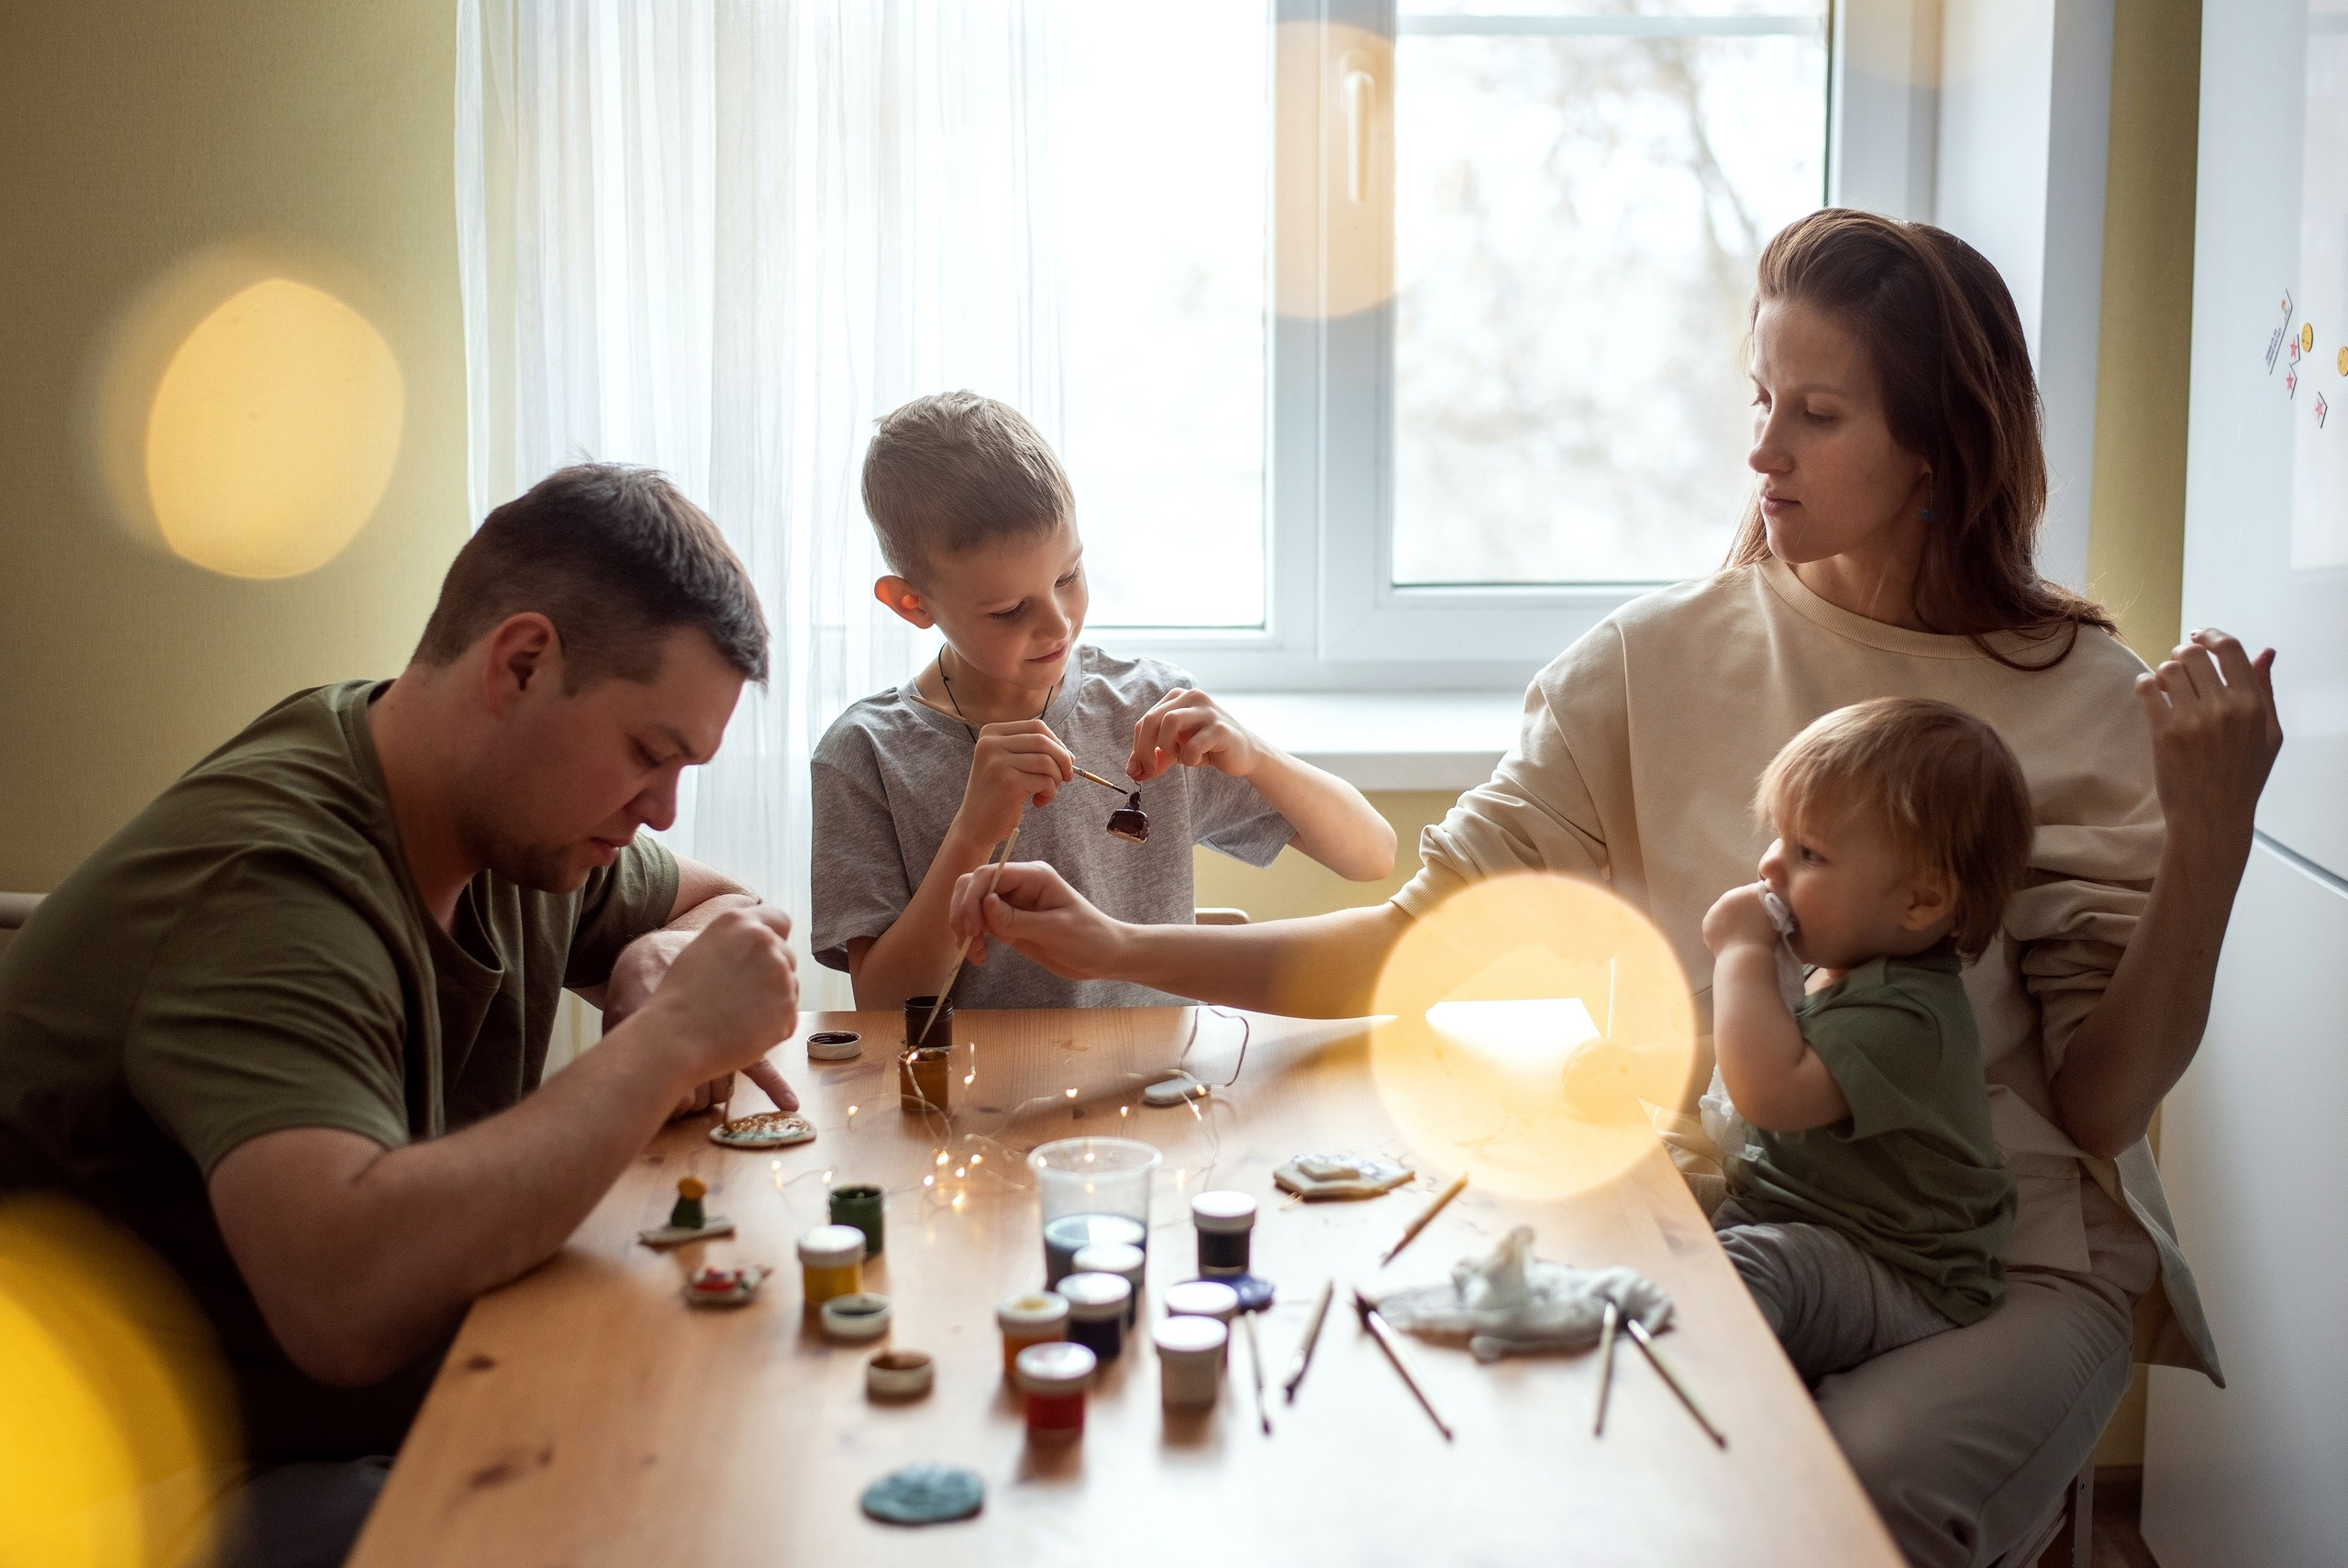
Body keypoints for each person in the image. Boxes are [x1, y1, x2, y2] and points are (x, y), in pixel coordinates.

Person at [941, 211, 2284, 1567]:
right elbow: (1415, 946)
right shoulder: (1648, 662)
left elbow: (2103, 1101)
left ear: (1939, 442)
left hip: (2007, 1263)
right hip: (1750, 1213)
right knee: (1591, 1442)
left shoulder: (2086, 701)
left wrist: (2213, 841)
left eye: (1816, 413)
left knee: (1848, 1497)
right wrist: (1122, 941)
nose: (1763, 450)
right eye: (1762, 399)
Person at [0, 465, 803, 1567]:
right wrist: (668, 1044)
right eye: (648, 754)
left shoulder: (512, 821)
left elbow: (731, 907)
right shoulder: (274, 885)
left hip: (355, 1411)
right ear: (521, 665)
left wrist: (656, 959)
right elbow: (345, 1305)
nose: (662, 809)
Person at [812, 391, 1394, 1010]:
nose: (1058, 624)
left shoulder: (1142, 708)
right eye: (1010, 610)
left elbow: (1371, 855)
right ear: (912, 604)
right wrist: (970, 835)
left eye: (1068, 578)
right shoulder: (866, 756)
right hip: (974, 1096)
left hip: (1159, 1088)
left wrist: (1258, 756)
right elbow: (884, 1006)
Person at [1701, 698, 2032, 1384]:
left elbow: (1770, 1091)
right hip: (1795, 1210)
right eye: (1779, 839)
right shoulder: (1844, 970)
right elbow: (1741, 1055)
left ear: (1920, 901)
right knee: (1654, 1202)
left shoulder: (1909, 1018)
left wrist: (1739, 951)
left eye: (1807, 852)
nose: (1770, 868)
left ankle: (1710, 1410)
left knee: (1743, 1271)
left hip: (1898, 1269)